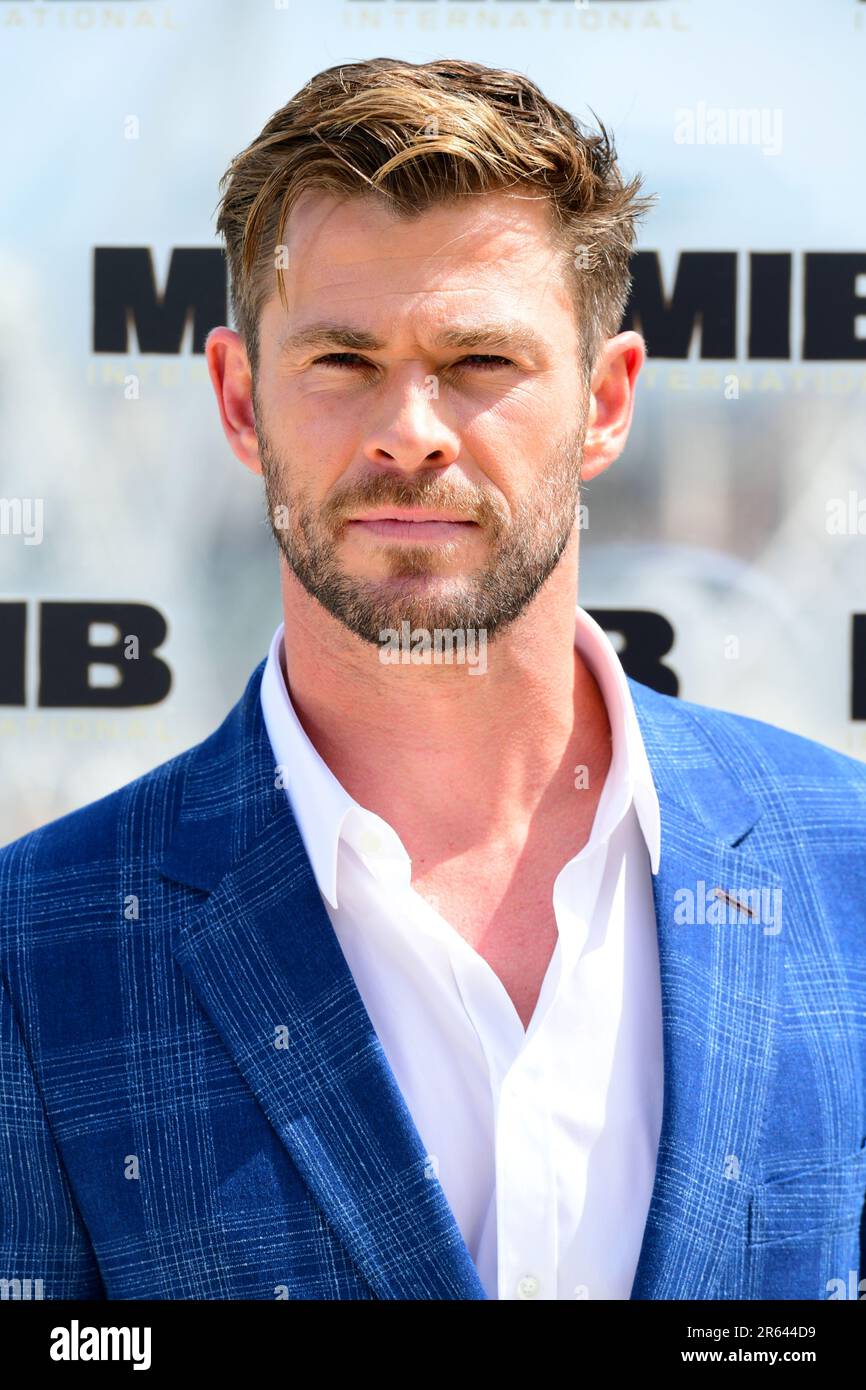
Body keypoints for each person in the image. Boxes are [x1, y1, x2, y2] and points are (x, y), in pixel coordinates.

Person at [1, 57, 865, 1302]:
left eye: (478, 360)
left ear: (604, 401)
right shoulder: (39, 947)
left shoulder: (843, 866)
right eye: (342, 361)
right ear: (240, 401)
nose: (409, 430)